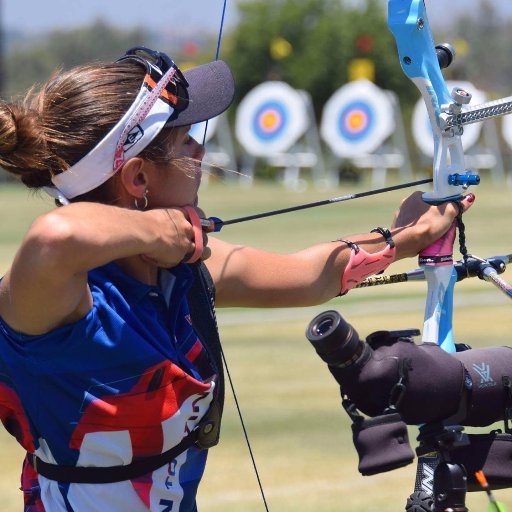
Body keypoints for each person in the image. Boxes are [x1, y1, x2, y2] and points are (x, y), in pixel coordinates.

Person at [0, 46, 473, 512]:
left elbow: (309, 275)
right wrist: (159, 230)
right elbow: (53, 235)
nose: (201, 150)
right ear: (138, 178)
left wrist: (404, 237)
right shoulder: (54, 297)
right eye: (186, 140)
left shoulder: (183, 270)